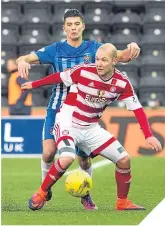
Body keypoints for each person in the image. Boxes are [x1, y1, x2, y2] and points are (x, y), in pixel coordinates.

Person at [17, 9, 141, 209]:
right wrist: (21, 61)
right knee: (49, 153)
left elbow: (121, 56)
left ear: (83, 26)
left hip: (84, 112)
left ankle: (86, 194)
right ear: (64, 28)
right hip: (58, 109)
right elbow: (24, 58)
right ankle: (45, 190)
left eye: (77, 24)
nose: (73, 28)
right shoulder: (55, 50)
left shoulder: (94, 48)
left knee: (83, 160)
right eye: (69, 25)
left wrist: (133, 47)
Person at [22, 43, 162, 211]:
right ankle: (41, 193)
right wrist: (34, 84)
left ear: (114, 61)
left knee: (124, 160)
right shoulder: (83, 71)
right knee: (67, 158)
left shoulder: (122, 83)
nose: (99, 63)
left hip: (90, 127)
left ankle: (122, 202)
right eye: (97, 59)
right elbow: (59, 77)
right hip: (68, 121)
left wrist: (148, 135)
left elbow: (138, 109)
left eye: (104, 60)